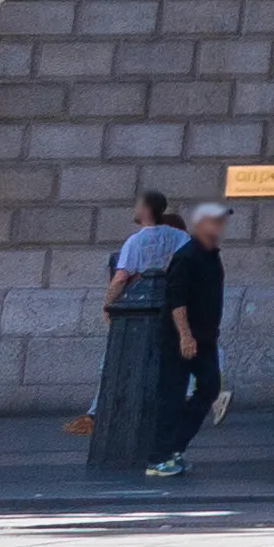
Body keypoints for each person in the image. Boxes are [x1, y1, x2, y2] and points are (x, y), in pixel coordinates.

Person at [90, 191, 188, 478]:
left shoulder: (136, 241)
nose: (134, 208)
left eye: (136, 204)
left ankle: (142, 448)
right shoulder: (179, 238)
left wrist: (108, 305)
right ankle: (171, 452)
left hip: (138, 315)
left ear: (146, 208)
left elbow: (121, 276)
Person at [149, 199, 231, 477]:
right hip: (180, 339)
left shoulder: (211, 255)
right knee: (171, 395)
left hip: (205, 338)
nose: (219, 227)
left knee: (209, 387)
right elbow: (176, 300)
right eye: (214, 221)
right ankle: (158, 458)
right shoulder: (186, 256)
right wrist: (185, 336)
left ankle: (175, 447)